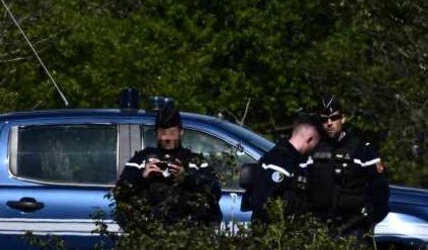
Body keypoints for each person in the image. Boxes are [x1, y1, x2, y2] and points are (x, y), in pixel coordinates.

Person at [114, 97, 222, 228]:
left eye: (172, 132)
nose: (167, 138)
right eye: (163, 133)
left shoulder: (196, 162)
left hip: (188, 235)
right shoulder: (141, 160)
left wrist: (186, 178)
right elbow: (120, 193)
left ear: (181, 132)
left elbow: (215, 192)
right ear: (156, 134)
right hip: (148, 234)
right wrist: (142, 177)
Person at [306, 99, 391, 239]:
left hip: (352, 229)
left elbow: (380, 188)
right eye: (324, 119)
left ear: (343, 118)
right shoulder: (313, 150)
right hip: (318, 229)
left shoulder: (362, 149)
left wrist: (369, 217)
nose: (329, 123)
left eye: (334, 118)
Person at [241, 117, 320, 223]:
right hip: (272, 230)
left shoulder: (292, 159)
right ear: (309, 139)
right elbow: (264, 200)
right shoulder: (281, 159)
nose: (314, 147)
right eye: (315, 143)